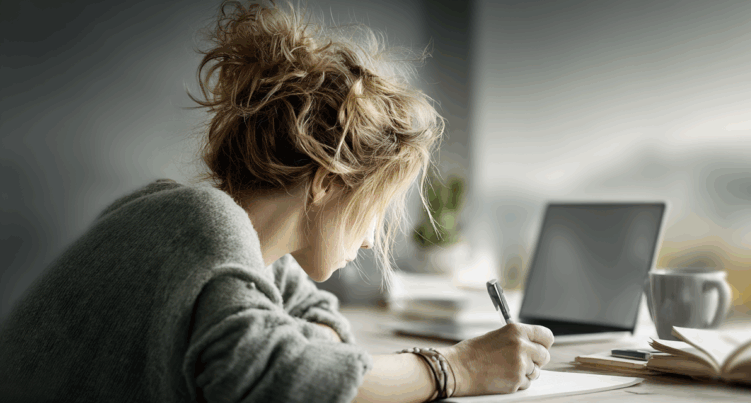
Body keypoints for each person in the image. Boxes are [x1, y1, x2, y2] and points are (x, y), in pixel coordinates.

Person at [0, 2, 553, 402]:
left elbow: (322, 330)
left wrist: (322, 357)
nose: (368, 237)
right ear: (326, 181)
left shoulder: (245, 250)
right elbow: (269, 376)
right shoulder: (198, 219)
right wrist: (454, 369)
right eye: (376, 208)